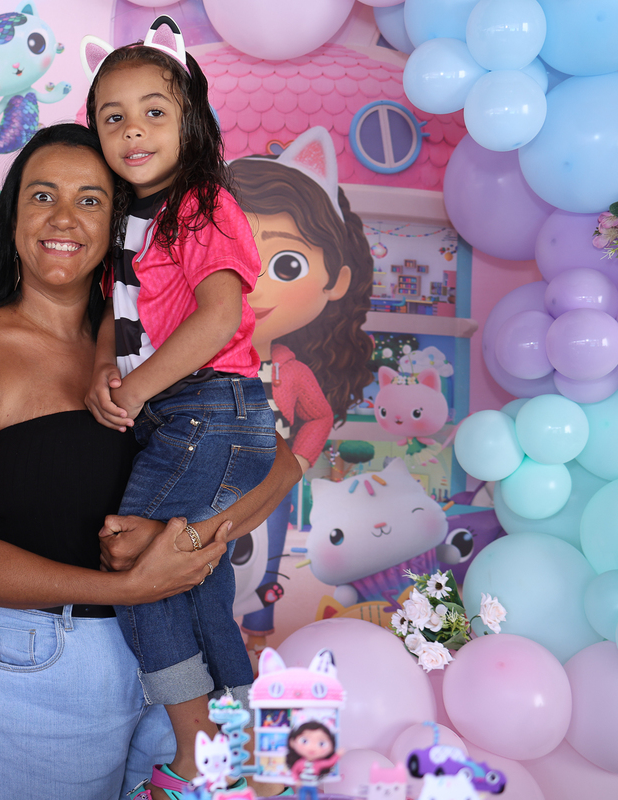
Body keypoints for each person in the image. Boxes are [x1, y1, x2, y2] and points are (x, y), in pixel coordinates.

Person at [0, 123, 300, 800]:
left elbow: (280, 465)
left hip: (177, 665)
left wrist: (186, 543)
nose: (64, 218)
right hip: (48, 670)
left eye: (90, 200)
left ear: (119, 225)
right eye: (42, 196)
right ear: (12, 218)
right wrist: (129, 587)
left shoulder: (160, 346)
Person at [81, 18, 286, 798]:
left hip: (209, 410)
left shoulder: (200, 204)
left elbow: (218, 315)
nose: (133, 130)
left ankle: (199, 753)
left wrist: (136, 390)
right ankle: (255, 750)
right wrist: (105, 365)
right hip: (194, 416)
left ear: (190, 122)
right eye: (114, 116)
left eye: (154, 112)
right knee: (199, 586)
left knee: (138, 566)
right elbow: (120, 314)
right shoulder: (125, 220)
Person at [228, 135, 375, 652]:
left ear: (336, 281)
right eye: (236, 260)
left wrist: (297, 463)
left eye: (285, 265)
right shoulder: (196, 361)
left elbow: (318, 417)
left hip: (272, 480)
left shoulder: (291, 371)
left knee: (265, 558)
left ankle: (257, 638)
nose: (255, 285)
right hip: (206, 481)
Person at [285, 720, 343, 800]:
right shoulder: (300, 763)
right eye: (304, 741)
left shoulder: (319, 764)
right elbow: (294, 771)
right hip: (302, 785)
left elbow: (330, 763)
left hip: (313, 786)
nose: (312, 747)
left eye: (321, 743)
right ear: (292, 742)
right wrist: (297, 780)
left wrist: (337, 755)